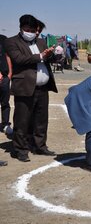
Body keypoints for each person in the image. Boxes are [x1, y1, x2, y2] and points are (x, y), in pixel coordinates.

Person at [4, 14, 58, 162]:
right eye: (26, 28)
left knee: (41, 119)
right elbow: (19, 59)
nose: (30, 32)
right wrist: (41, 56)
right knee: (22, 120)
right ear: (21, 28)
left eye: (32, 29)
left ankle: (40, 145)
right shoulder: (11, 42)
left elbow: (48, 58)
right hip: (25, 86)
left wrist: (55, 55)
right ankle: (20, 149)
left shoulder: (40, 41)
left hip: (42, 87)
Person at [0, 34, 13, 136]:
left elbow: (8, 56)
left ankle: (5, 124)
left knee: (5, 102)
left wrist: (10, 73)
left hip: (5, 77)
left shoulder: (4, 39)